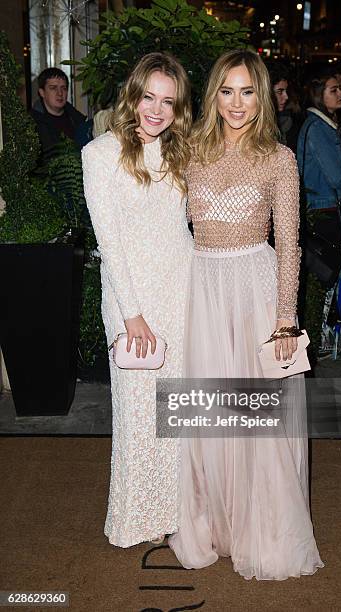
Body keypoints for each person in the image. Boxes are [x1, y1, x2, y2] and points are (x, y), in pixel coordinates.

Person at [169, 50, 324, 581]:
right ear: (214, 95)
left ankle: (263, 528)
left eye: (247, 91)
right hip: (202, 289)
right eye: (227, 91)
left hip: (256, 291)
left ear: (262, 96)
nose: (237, 103)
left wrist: (286, 318)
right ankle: (213, 521)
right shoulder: (189, 150)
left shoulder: (279, 158)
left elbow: (290, 245)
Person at [82, 53, 193, 546]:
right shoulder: (100, 154)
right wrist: (132, 316)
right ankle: (136, 517)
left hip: (182, 290)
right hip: (133, 301)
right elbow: (109, 243)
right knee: (136, 410)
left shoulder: (182, 153)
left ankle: (177, 512)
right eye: (149, 96)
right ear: (133, 95)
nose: (156, 109)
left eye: (168, 101)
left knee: (175, 410)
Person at [296, 69, 341, 356]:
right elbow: (336, 176)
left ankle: (316, 343)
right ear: (319, 95)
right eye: (333, 89)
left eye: (340, 88)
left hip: (327, 206)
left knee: (323, 282)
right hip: (319, 211)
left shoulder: (328, 126)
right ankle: (311, 347)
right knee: (319, 282)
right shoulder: (318, 128)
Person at [31, 67, 86, 161]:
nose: (60, 93)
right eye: (53, 88)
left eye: (63, 88)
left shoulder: (77, 120)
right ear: (42, 92)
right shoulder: (32, 124)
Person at [270, 65, 303, 152]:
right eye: (280, 91)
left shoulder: (280, 121)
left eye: (286, 91)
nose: (286, 96)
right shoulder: (256, 126)